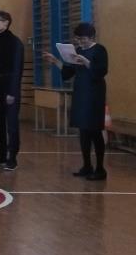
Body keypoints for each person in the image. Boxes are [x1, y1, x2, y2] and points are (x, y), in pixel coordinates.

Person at [44, 22, 109, 181]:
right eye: (78, 39)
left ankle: (100, 168)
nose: (80, 42)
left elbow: (101, 71)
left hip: (94, 95)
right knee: (83, 131)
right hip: (80, 93)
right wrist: (56, 61)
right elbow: (69, 72)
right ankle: (87, 166)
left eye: (83, 39)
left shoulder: (99, 50)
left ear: (92, 37)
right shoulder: (78, 50)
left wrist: (86, 61)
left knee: (94, 130)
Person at [0, 11, 25, 171]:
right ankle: (1, 155)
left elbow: (17, 69)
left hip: (10, 87)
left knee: (12, 125)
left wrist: (12, 92)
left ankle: (12, 157)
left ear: (7, 22)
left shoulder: (15, 43)